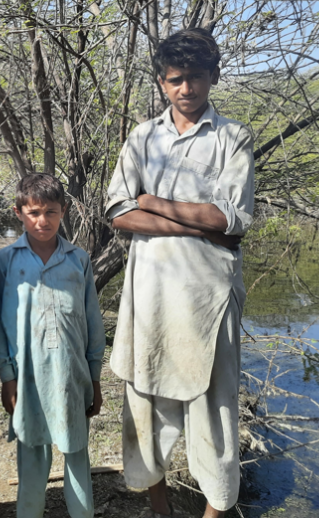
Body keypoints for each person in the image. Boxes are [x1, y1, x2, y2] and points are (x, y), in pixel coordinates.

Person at [105, 28, 255, 518]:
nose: (186, 88)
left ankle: (215, 511)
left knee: (215, 410)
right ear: (161, 82)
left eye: (195, 76)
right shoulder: (142, 138)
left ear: (213, 76)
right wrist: (195, 223)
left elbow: (230, 220)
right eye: (175, 79)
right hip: (149, 297)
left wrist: (152, 201)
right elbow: (119, 212)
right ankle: (160, 509)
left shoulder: (233, 137)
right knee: (146, 406)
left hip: (209, 300)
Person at [0, 173, 106, 518]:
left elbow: (92, 321)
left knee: (76, 454)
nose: (43, 221)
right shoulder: (6, 261)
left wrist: (95, 377)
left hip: (72, 376)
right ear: (18, 213)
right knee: (31, 459)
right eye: (34, 213)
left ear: (64, 211)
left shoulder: (78, 260)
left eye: (51, 212)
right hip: (27, 378)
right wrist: (7, 377)